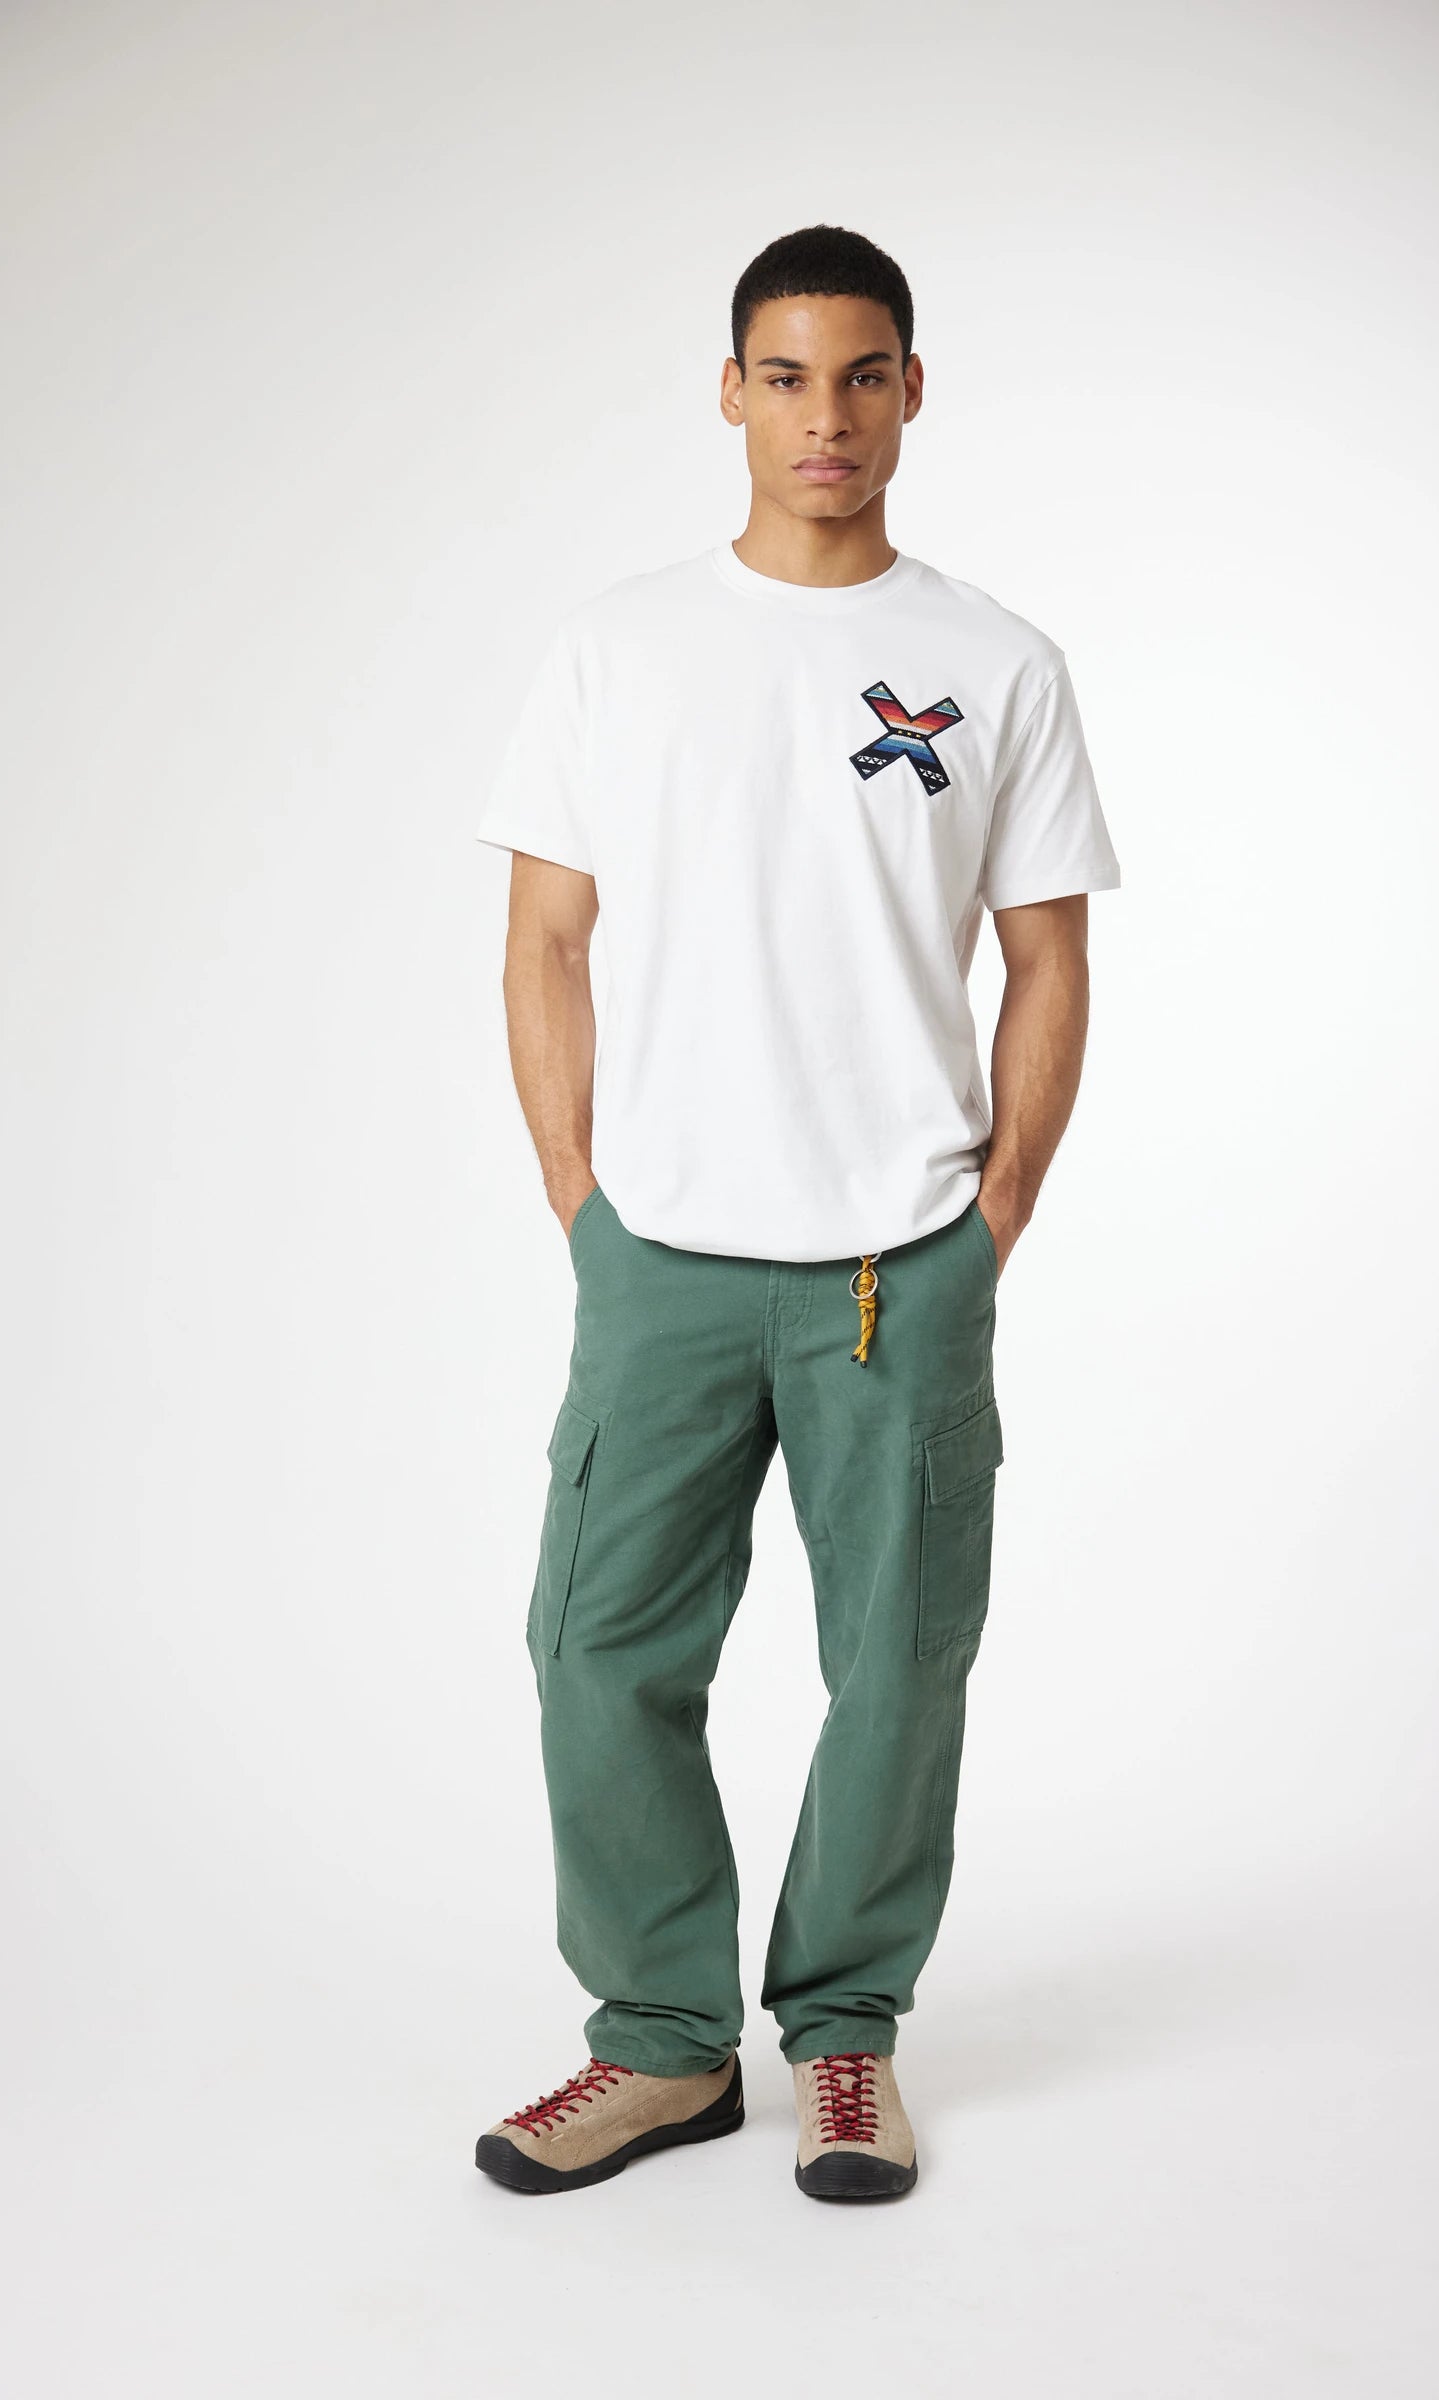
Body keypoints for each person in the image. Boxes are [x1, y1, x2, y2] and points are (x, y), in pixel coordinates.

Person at [472, 223, 1120, 2202]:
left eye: (858, 375)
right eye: (782, 375)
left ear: (911, 392)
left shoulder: (995, 664)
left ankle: (843, 2036)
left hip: (893, 1267)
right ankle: (662, 2048)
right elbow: (544, 940)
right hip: (660, 1258)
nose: (821, 415)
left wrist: (990, 1218)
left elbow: (1047, 960)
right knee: (596, 1656)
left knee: (899, 1669)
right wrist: (583, 1203)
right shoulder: (618, 648)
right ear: (729, 392)